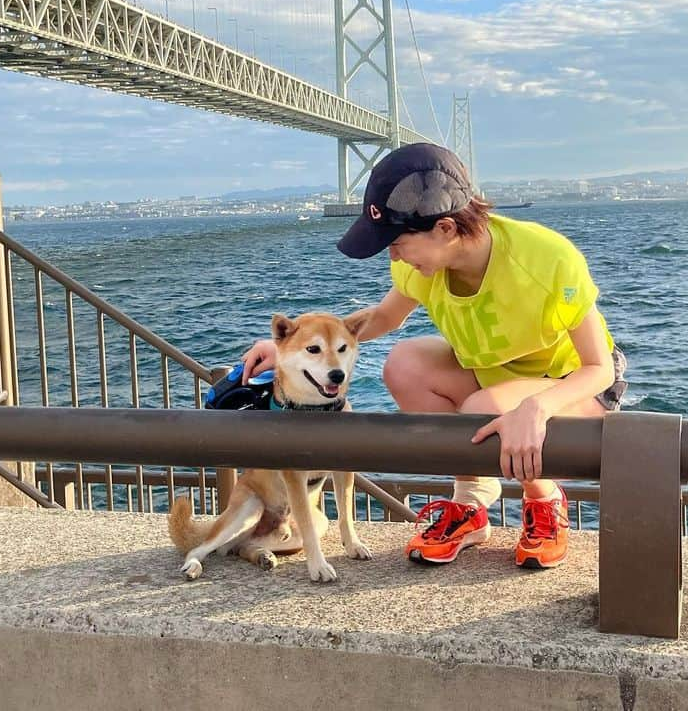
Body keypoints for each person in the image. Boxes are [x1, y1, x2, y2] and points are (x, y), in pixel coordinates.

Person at [241, 143, 626, 570]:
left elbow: (599, 368)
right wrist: (291, 349)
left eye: (397, 242)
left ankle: (545, 501)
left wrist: (538, 406)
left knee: (481, 408)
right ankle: (471, 506)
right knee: (403, 364)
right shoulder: (418, 266)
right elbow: (383, 317)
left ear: (444, 229)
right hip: (492, 375)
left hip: (573, 387)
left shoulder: (547, 258)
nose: (392, 254)